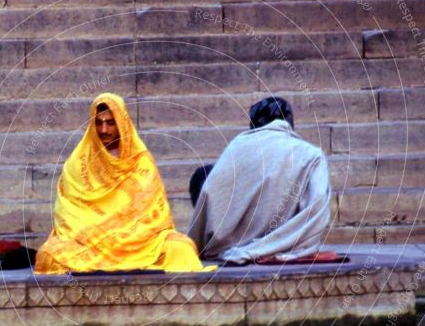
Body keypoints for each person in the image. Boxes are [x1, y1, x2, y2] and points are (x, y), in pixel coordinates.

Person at [34, 92, 213, 274]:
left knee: (181, 247)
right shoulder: (77, 163)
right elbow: (68, 213)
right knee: (48, 255)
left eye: (110, 123)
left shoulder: (141, 163)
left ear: (122, 125)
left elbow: (154, 216)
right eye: (99, 123)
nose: (104, 130)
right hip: (91, 241)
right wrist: (98, 234)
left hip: (139, 241)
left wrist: (126, 236)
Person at [187, 96, 331, 264]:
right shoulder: (312, 155)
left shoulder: (238, 145)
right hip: (285, 243)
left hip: (226, 245)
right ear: (290, 122)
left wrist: (198, 243)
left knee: (202, 175)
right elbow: (317, 208)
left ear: (253, 124)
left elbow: (210, 192)